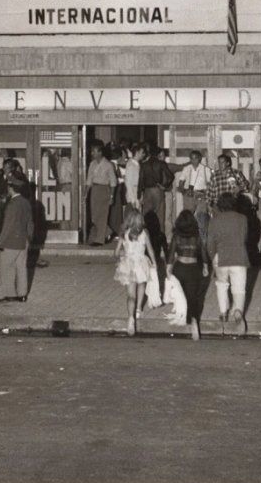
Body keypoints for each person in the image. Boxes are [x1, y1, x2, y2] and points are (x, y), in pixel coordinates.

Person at [206, 191, 250, 327]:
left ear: (220, 205)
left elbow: (210, 243)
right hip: (239, 256)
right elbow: (244, 237)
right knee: (239, 288)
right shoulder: (242, 218)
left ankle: (223, 312)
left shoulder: (214, 220)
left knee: (222, 285)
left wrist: (212, 257)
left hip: (220, 257)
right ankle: (238, 312)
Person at [165, 210, 210, 341]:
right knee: (193, 297)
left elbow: (171, 254)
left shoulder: (176, 237)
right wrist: (205, 266)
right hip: (194, 268)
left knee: (181, 295)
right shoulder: (197, 236)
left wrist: (168, 269)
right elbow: (203, 252)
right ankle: (194, 320)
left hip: (179, 267)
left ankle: (184, 317)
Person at [113, 207, 156, 336]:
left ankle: (131, 318)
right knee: (141, 285)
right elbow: (150, 249)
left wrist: (120, 257)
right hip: (141, 263)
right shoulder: (144, 233)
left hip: (129, 264)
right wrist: (154, 262)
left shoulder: (124, 234)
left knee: (131, 295)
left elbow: (116, 252)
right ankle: (138, 309)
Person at [0, 175, 33, 303]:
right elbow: (30, 223)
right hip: (24, 240)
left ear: (10, 188)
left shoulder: (12, 204)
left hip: (11, 241)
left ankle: (10, 294)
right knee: (21, 267)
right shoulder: (26, 202)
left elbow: (8, 226)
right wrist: (29, 237)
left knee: (6, 267)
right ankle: (22, 295)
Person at [176, 150, 212, 241]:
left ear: (200, 159)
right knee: (187, 217)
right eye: (191, 158)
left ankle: (203, 241)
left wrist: (206, 193)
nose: (193, 160)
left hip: (201, 195)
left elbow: (209, 184)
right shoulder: (186, 168)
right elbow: (181, 181)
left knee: (201, 218)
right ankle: (186, 239)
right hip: (189, 195)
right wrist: (184, 191)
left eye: (195, 158)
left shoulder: (206, 169)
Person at [86, 142, 117, 246]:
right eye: (92, 151)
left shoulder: (108, 165)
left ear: (100, 152)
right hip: (94, 190)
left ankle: (99, 240)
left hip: (104, 190)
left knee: (102, 216)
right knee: (94, 217)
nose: (92, 153)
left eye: (94, 151)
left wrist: (112, 196)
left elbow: (113, 182)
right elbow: (89, 180)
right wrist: (86, 194)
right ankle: (109, 232)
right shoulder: (92, 164)